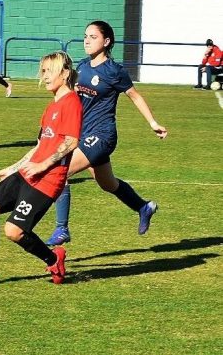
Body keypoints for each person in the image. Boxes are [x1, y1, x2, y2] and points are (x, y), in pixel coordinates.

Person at [0, 51, 79, 286]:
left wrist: (42, 165)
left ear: (64, 74)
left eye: (49, 71)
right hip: (27, 174)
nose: (44, 76)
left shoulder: (71, 102)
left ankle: (53, 259)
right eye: (43, 71)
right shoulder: (51, 107)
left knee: (14, 231)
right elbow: (41, 145)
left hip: (47, 181)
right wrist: (15, 167)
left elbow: (71, 141)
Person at [46, 21, 167, 247]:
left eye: (93, 37)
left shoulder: (114, 71)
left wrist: (153, 122)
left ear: (106, 41)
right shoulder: (81, 67)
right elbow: (68, 100)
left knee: (59, 172)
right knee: (107, 184)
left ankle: (62, 229)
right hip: (81, 135)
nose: (87, 40)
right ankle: (143, 207)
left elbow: (135, 96)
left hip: (102, 136)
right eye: (85, 36)